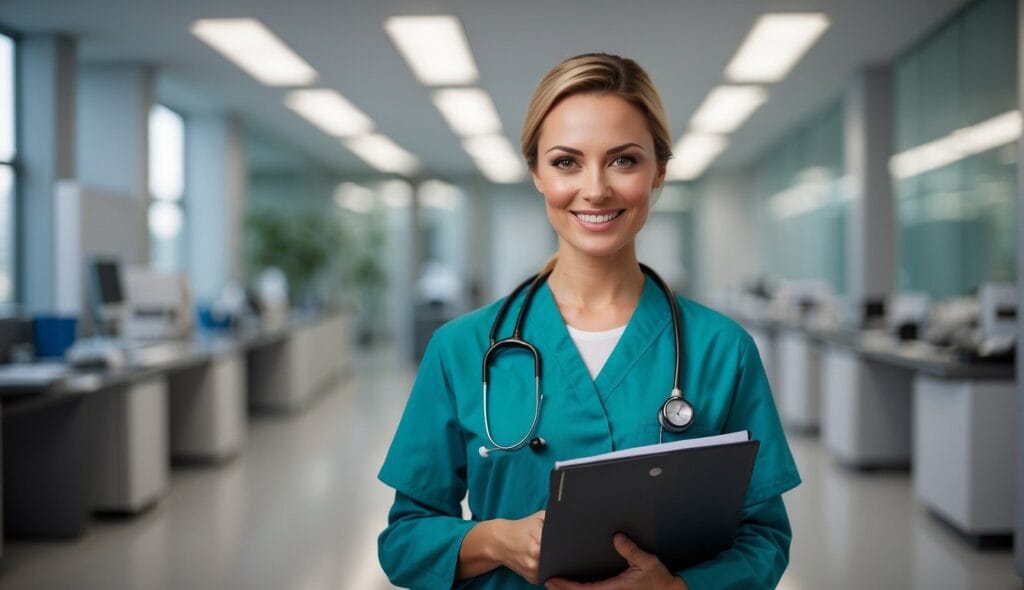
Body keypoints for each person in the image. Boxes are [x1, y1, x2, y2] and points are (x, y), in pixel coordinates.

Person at [378, 53, 801, 589]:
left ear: (659, 172)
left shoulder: (722, 350)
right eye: (566, 162)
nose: (596, 188)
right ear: (536, 172)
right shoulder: (461, 348)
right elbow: (403, 542)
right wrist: (493, 541)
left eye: (624, 160)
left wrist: (678, 589)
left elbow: (764, 537)